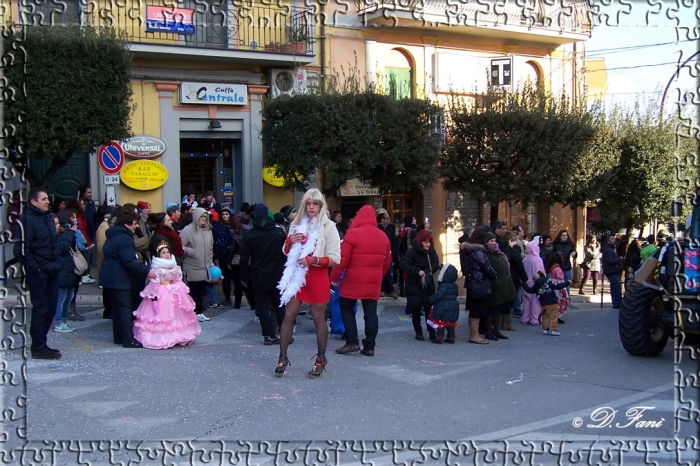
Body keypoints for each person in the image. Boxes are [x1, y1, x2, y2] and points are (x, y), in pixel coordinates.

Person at [275, 188, 341, 378]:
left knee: (318, 317)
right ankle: (282, 357)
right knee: (289, 314)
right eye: (308, 203)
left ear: (321, 205)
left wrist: (313, 260)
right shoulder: (297, 223)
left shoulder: (328, 227)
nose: (311, 207)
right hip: (298, 277)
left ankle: (321, 359)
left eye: (315, 204)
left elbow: (335, 257)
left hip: (317, 276)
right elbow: (287, 253)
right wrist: (288, 241)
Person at [330, 205, 391, 356]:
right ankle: (370, 346)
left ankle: (352, 342)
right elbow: (387, 261)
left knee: (346, 307)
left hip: (353, 278)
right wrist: (379, 275)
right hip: (373, 279)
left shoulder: (353, 234)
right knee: (370, 313)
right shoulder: (383, 236)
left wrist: (334, 278)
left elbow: (342, 260)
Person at [15, 188, 63, 359]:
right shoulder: (27, 221)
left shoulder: (48, 218)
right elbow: (21, 250)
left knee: (51, 308)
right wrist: (37, 268)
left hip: (52, 269)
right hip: (39, 272)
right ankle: (38, 347)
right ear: (34, 202)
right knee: (41, 308)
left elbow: (52, 243)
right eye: (43, 199)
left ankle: (42, 343)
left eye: (47, 198)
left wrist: (57, 262)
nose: (47, 201)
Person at [99, 210, 156, 348]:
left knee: (117, 309)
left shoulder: (112, 235)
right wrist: (146, 271)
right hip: (119, 277)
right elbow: (129, 262)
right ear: (126, 224)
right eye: (134, 224)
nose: (136, 226)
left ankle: (119, 337)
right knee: (124, 308)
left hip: (108, 276)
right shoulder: (125, 239)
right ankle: (128, 339)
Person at [132, 240, 201, 349]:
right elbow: (154, 284)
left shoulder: (175, 266)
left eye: (168, 252)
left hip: (175, 293)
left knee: (178, 316)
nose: (167, 254)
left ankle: (179, 336)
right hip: (162, 294)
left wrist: (177, 287)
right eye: (163, 253)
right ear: (159, 255)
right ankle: (162, 338)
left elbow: (178, 278)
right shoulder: (156, 268)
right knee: (162, 316)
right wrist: (156, 296)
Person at [240, 203, 287, 345]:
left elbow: (244, 259)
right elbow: (285, 254)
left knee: (262, 306)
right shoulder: (278, 233)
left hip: (259, 275)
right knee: (280, 305)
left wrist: (245, 278)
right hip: (277, 274)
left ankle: (268, 334)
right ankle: (285, 333)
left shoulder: (249, 235)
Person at [401, 229, 440, 341]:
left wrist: (428, 271)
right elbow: (404, 264)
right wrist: (417, 271)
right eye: (425, 242)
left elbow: (435, 264)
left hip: (427, 284)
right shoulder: (412, 252)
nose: (428, 244)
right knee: (416, 309)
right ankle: (418, 331)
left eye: (429, 242)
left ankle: (431, 331)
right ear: (420, 242)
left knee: (429, 309)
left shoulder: (431, 252)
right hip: (414, 284)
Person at [462, 227, 497, 344]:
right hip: (479, 282)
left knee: (474, 309)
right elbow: (486, 267)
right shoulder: (479, 251)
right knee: (476, 309)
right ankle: (474, 335)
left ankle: (474, 334)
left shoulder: (471, 250)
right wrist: (494, 274)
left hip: (473, 281)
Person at [180, 207, 214, 322]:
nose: (203, 219)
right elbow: (180, 246)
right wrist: (191, 252)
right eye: (201, 216)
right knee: (194, 291)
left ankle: (199, 311)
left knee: (201, 290)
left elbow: (210, 248)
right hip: (192, 266)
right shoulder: (187, 230)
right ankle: (196, 312)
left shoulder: (208, 230)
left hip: (204, 266)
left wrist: (210, 263)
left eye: (205, 217)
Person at [481, 231, 516, 341]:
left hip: (502, 285)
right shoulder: (487, 254)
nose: (494, 243)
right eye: (491, 241)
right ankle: (489, 331)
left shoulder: (499, 253)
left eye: (495, 241)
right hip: (493, 285)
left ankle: (496, 330)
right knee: (490, 310)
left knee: (498, 310)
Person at [522, 271, 570, 336]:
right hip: (552, 302)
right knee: (554, 316)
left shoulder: (536, 285)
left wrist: (524, 284)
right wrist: (568, 282)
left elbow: (529, 290)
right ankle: (554, 330)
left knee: (545, 316)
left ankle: (545, 329)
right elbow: (559, 286)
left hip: (543, 303)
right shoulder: (549, 282)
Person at [54, 212, 80, 333]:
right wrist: (70, 233)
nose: (57, 226)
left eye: (58, 223)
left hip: (68, 269)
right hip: (61, 269)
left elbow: (72, 246)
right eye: (55, 223)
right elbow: (63, 247)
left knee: (69, 296)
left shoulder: (64, 233)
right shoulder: (53, 237)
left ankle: (64, 320)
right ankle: (59, 322)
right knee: (61, 297)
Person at [426, 264, 460, 344]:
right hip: (453, 306)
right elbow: (456, 294)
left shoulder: (443, 286)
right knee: (450, 323)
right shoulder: (454, 285)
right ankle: (451, 337)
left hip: (443, 306)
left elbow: (439, 295)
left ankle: (439, 337)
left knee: (441, 322)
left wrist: (430, 299)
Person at [522, 239, 545, 326]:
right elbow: (540, 273)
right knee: (535, 302)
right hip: (535, 283)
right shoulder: (537, 259)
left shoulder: (525, 259)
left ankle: (525, 318)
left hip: (525, 283)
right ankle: (535, 319)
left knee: (526, 302)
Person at [377, 211, 398, 299]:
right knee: (382, 272)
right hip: (380, 252)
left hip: (389, 252)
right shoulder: (378, 227)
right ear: (382, 219)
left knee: (389, 272)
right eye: (386, 218)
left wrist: (394, 250)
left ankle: (390, 290)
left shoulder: (391, 227)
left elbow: (394, 240)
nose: (388, 220)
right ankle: (382, 290)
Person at [397, 214, 418, 297]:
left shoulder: (401, 231)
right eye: (413, 219)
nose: (415, 219)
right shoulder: (413, 231)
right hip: (411, 256)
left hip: (403, 255)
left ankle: (403, 290)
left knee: (403, 274)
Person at [552, 230, 577, 297]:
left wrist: (575, 253)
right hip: (557, 267)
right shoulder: (555, 245)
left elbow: (574, 254)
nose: (565, 237)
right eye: (563, 235)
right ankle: (558, 300)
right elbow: (553, 255)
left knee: (567, 284)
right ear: (560, 236)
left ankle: (567, 300)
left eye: (566, 235)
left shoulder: (570, 245)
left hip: (567, 267)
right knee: (557, 284)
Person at [601, 234, 622, 308]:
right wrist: (619, 259)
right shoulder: (607, 250)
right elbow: (610, 260)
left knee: (614, 287)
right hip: (611, 270)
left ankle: (616, 303)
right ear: (608, 241)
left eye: (614, 238)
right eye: (612, 239)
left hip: (612, 270)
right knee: (617, 287)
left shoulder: (611, 248)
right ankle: (618, 302)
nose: (614, 240)